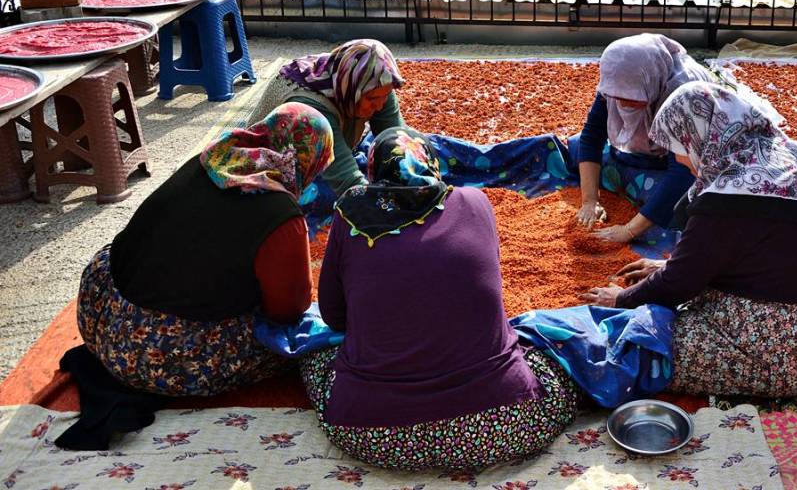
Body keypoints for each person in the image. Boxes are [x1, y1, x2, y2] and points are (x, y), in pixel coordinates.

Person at [301, 127, 579, 471]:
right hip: (504, 424)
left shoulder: (351, 212)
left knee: (310, 348)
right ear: (432, 165)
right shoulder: (474, 202)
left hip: (372, 433)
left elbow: (333, 316)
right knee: (550, 348)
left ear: (374, 173)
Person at [581, 82, 797, 398]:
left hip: (785, 351)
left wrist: (621, 299)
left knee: (638, 346)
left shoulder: (729, 197)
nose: (679, 159)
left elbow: (678, 285)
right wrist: (666, 264)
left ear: (701, 138)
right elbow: (761, 248)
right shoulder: (796, 157)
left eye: (678, 147)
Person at [76, 103, 334, 396]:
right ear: (308, 159)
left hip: (98, 309)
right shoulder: (281, 216)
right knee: (309, 340)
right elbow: (288, 310)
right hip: (149, 353)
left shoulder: (214, 159)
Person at [568, 33, 713, 243]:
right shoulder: (614, 84)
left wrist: (629, 230)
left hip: (684, 162)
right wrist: (589, 201)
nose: (622, 104)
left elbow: (683, 170)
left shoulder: (683, 95)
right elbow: (591, 136)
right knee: (575, 147)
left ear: (649, 80)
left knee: (684, 207)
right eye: (617, 97)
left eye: (631, 97)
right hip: (640, 152)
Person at [248, 39, 405, 195]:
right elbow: (348, 182)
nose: (379, 106)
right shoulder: (312, 112)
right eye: (372, 100)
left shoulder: (371, 83)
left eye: (384, 96)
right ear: (351, 91)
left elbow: (398, 142)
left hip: (325, 146)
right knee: (327, 198)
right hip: (269, 172)